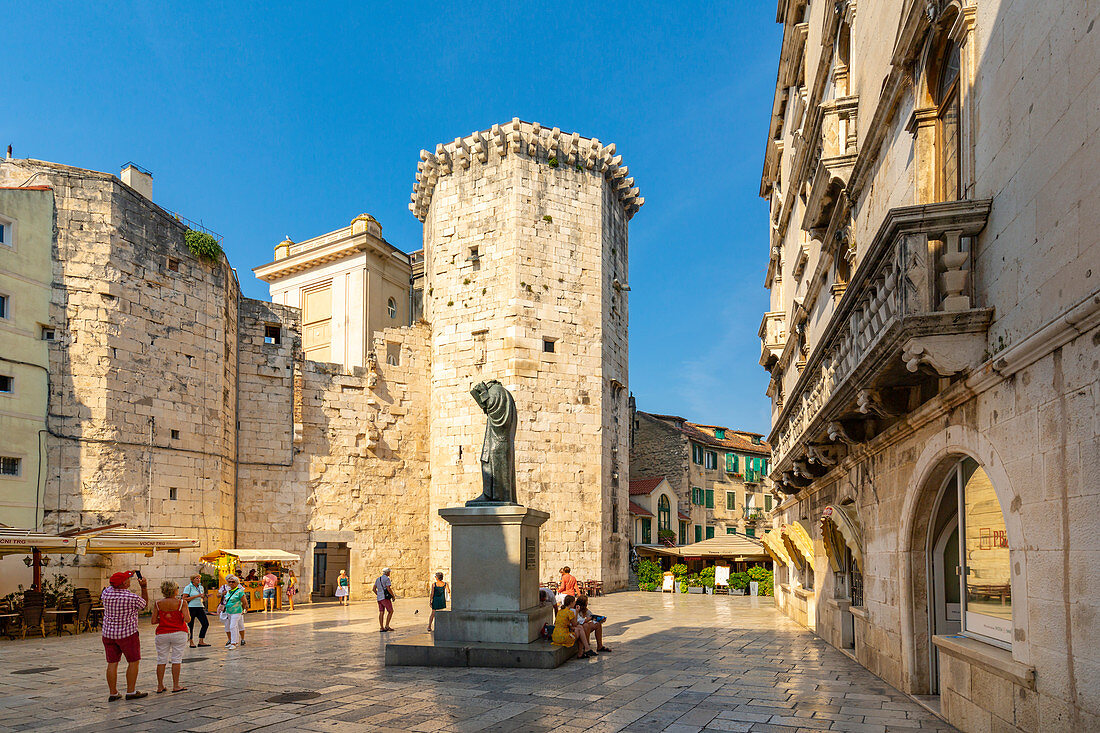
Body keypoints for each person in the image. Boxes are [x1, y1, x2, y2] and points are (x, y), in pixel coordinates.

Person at [100, 570, 149, 701]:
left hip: (109, 633)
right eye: (128, 579)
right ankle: (131, 691)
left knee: (112, 663)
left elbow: (112, 585)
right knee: (133, 661)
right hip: (127, 634)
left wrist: (129, 573)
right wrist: (143, 587)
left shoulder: (106, 593)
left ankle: (113, 693)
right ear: (124, 583)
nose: (130, 580)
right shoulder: (131, 598)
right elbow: (144, 604)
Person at [151, 580, 191, 693]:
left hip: (162, 633)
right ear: (175, 590)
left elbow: (153, 621)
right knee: (176, 659)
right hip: (179, 632)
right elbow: (188, 619)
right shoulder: (182, 603)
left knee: (161, 659)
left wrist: (165, 618)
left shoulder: (158, 603)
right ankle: (176, 685)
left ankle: (160, 686)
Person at [181, 574, 210, 648]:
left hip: (200, 606)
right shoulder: (188, 587)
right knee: (191, 625)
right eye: (197, 578)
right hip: (191, 607)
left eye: (199, 578)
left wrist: (205, 597)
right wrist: (197, 596)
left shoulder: (201, 587)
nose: (198, 580)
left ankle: (201, 641)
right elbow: (184, 598)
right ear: (193, 580)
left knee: (205, 623)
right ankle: (191, 641)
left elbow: (202, 597)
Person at [220, 575, 248, 650]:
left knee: (233, 626)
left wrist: (243, 609)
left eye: (233, 582)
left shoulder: (239, 591)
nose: (231, 583)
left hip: (237, 611)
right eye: (229, 582)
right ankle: (234, 641)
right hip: (229, 612)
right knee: (231, 626)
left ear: (236, 583)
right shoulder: (228, 591)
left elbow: (244, 601)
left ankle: (233, 643)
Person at [373, 567, 394, 632]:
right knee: (390, 611)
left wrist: (378, 594)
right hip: (385, 598)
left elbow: (373, 589)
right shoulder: (387, 579)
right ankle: (387, 625)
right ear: (387, 572)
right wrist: (393, 596)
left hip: (379, 598)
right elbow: (388, 588)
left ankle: (381, 627)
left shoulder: (378, 579)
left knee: (381, 612)